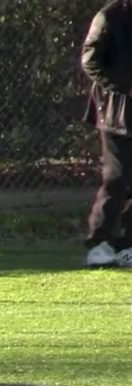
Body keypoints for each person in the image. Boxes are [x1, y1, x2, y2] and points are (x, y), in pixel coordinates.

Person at [81, 0, 132, 267]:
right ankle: (98, 244)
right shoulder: (110, 16)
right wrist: (124, 87)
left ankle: (126, 245)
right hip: (115, 115)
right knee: (117, 178)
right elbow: (90, 60)